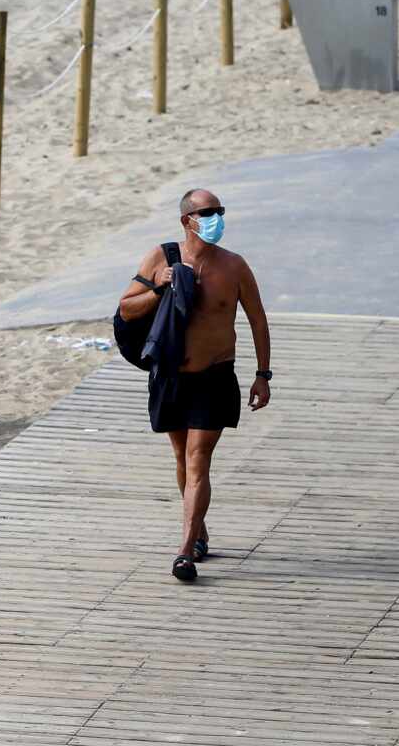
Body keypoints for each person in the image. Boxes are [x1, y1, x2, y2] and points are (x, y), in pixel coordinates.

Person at [117, 189, 272, 582]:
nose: (216, 217)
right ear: (187, 220)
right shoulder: (161, 257)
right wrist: (159, 287)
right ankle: (198, 530)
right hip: (170, 375)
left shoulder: (234, 266)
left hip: (215, 375)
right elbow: (126, 308)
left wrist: (262, 374)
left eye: (219, 210)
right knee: (182, 458)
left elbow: (257, 319)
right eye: (207, 212)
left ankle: (185, 551)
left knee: (198, 458)